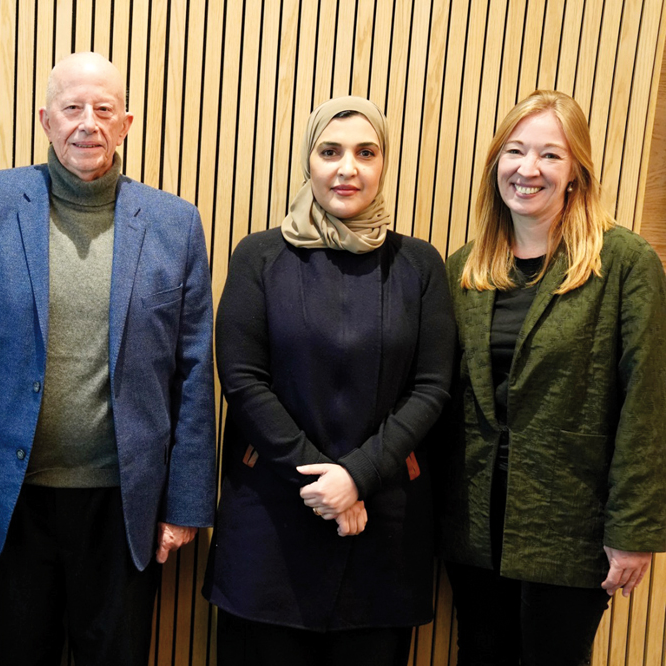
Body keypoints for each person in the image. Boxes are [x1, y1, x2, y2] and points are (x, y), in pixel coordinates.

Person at [0, 52, 216, 665]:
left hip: (126, 502)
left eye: (104, 109)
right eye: (72, 108)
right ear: (45, 120)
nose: (89, 123)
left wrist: (185, 505)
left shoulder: (174, 223)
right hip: (11, 494)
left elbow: (193, 373)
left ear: (127, 122)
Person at [202, 96, 455, 666]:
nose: (348, 168)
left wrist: (358, 478)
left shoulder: (419, 265)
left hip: (382, 526)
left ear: (384, 163)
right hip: (271, 525)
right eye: (330, 151)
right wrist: (324, 488)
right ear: (308, 162)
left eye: (366, 153)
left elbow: (433, 386)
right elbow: (242, 380)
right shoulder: (260, 256)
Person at [437, 89, 666, 666]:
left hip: (571, 526)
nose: (528, 169)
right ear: (496, 165)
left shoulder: (623, 262)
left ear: (576, 173)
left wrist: (634, 528)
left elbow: (648, 401)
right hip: (474, 524)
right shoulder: (465, 267)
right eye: (515, 151)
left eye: (550, 155)